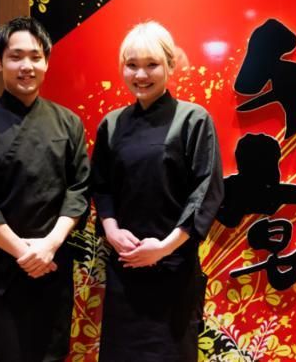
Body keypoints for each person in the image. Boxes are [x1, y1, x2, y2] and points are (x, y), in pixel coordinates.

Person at [0, 16, 89, 362]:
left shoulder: (68, 123)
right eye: (15, 57)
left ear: (46, 61)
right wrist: (23, 253)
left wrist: (49, 246)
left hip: (52, 267)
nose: (26, 66)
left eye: (35, 56)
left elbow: (79, 190)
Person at [91, 21, 224, 361]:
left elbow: (206, 191)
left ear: (170, 65)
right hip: (124, 267)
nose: (141, 74)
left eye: (152, 64)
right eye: (132, 65)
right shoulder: (112, 124)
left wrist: (163, 248)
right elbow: (101, 186)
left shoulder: (193, 119)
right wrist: (112, 231)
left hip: (174, 268)